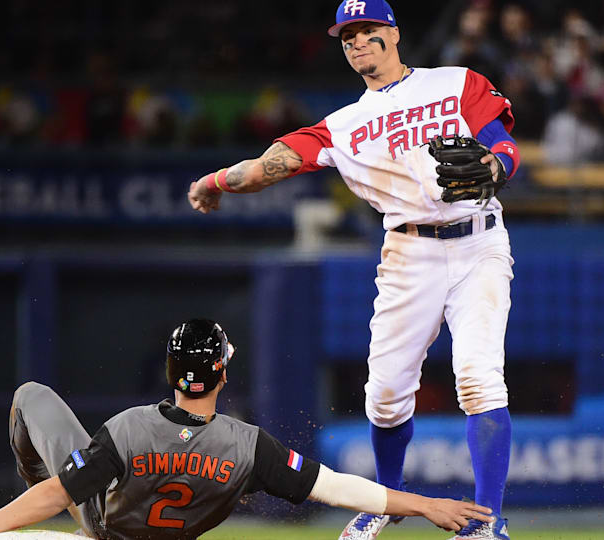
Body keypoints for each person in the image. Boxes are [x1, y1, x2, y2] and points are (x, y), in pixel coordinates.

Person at [187, 2, 519, 539]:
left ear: (394, 33)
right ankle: (386, 500)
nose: (357, 41)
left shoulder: (454, 81)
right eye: (347, 36)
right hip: (408, 253)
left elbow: (502, 141)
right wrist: (214, 181)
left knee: (479, 379)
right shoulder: (342, 126)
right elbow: (266, 167)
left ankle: (488, 522)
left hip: (478, 240)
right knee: (385, 395)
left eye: (367, 30)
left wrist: (499, 162)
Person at [0, 319, 493, 540]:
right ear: (223, 373)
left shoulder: (127, 429)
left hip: (102, 527)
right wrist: (425, 504)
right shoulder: (246, 445)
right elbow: (336, 487)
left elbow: (58, 492)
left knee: (31, 397)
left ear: (170, 372)